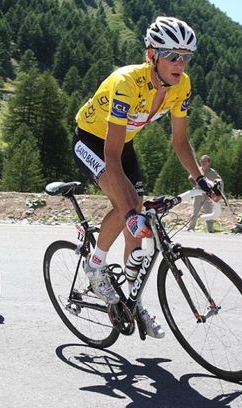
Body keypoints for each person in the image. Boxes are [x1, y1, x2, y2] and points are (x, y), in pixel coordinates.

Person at [73, 16, 221, 338]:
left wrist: (200, 180)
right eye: (172, 55)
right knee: (126, 207)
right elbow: (110, 157)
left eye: (186, 56)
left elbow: (179, 142)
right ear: (152, 55)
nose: (180, 63)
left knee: (137, 227)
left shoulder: (182, 85)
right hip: (93, 141)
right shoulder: (127, 83)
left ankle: (131, 301)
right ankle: (96, 265)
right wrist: (128, 211)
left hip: (122, 143)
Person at [187, 155, 223, 233]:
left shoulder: (212, 172)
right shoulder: (198, 170)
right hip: (198, 193)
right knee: (195, 211)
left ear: (208, 162)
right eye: (202, 161)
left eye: (205, 161)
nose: (203, 163)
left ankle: (210, 229)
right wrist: (196, 185)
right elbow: (190, 178)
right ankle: (191, 228)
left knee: (209, 211)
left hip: (208, 195)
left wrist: (214, 190)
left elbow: (219, 181)